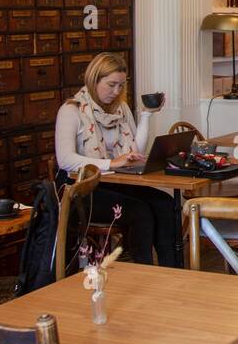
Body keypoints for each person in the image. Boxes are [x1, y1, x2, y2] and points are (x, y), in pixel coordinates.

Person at [54, 51, 176, 266]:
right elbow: (65, 160)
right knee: (140, 212)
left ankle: (174, 272)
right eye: (111, 85)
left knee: (165, 203)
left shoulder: (120, 108)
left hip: (113, 183)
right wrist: (111, 163)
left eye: (120, 85)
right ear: (94, 79)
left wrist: (147, 115)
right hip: (82, 190)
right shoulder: (71, 110)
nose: (116, 91)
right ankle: (144, 274)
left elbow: (133, 150)